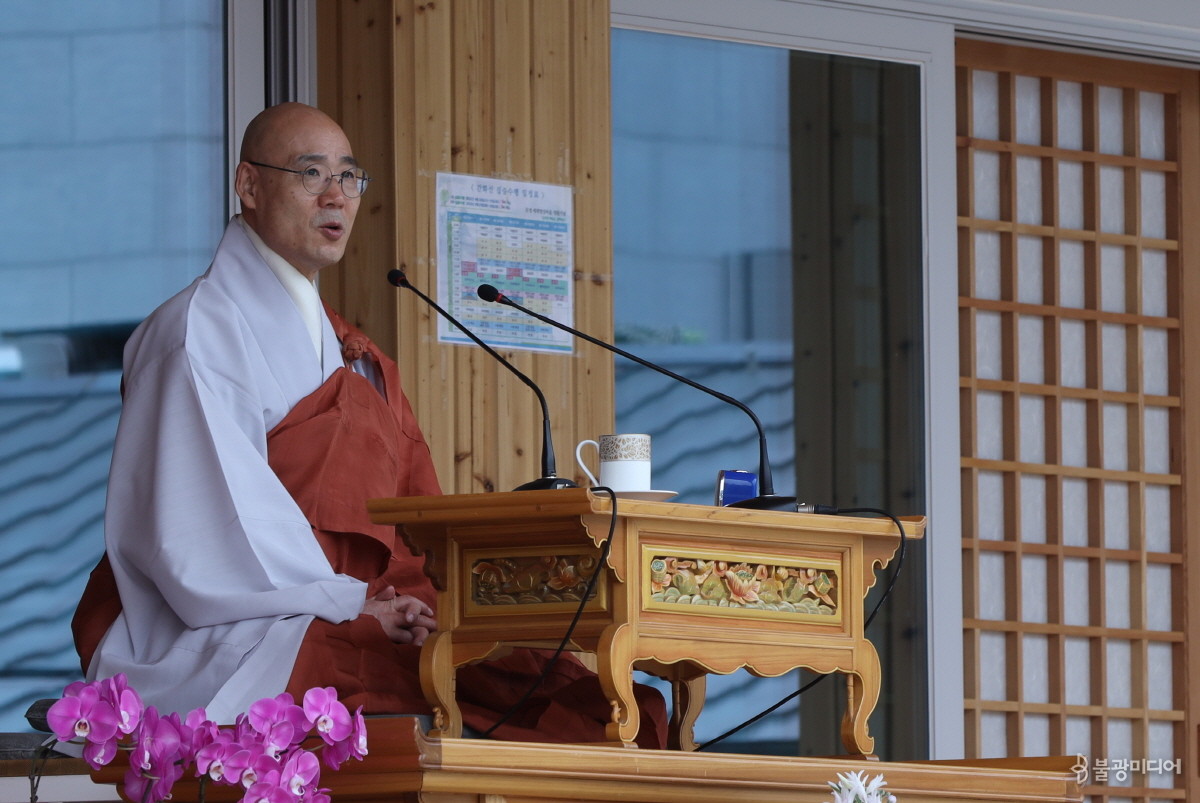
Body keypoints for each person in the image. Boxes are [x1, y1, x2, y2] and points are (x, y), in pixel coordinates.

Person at [71, 103, 666, 748]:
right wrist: (356, 608)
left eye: (350, 178)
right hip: (237, 631)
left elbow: (416, 530)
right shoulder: (195, 334)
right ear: (248, 185)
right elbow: (208, 533)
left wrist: (426, 612)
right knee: (417, 700)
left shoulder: (356, 358)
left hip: (355, 613)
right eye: (310, 173)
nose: (336, 196)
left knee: (586, 701)